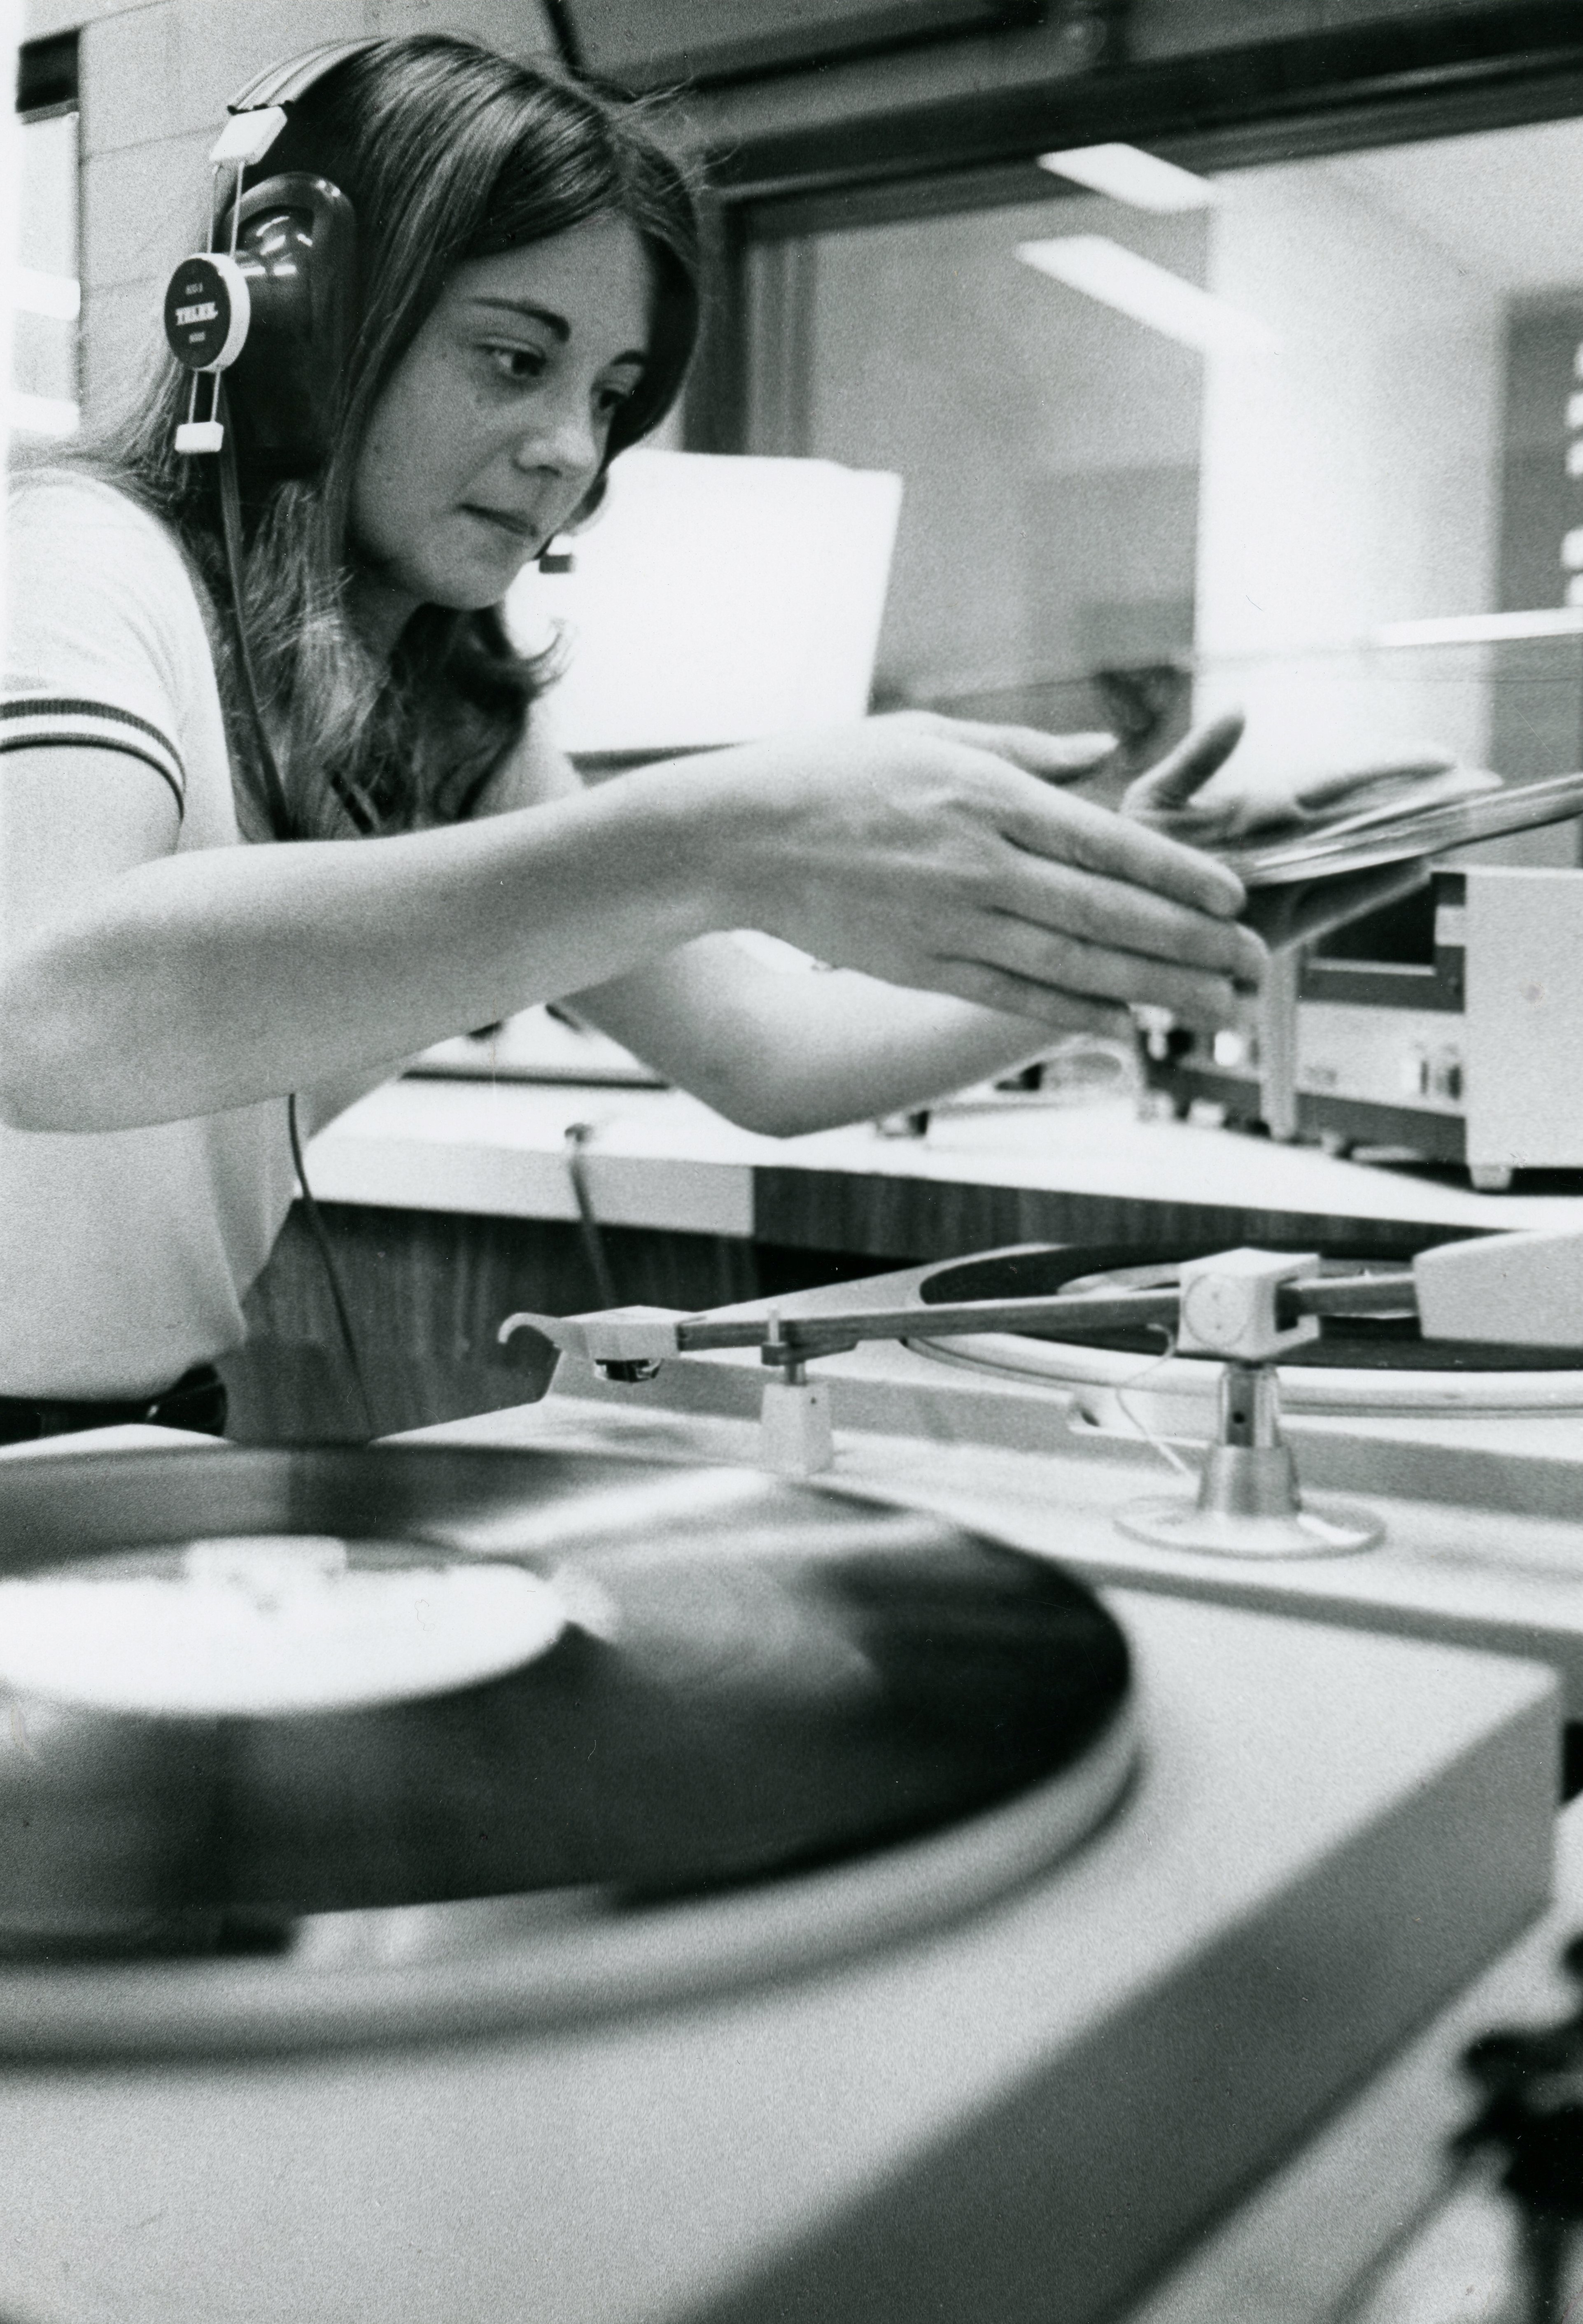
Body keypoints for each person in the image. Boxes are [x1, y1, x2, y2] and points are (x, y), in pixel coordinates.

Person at [0, 33, 1267, 1435]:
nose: (570, 450)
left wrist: (1174, 907)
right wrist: (725, 835)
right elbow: (51, 1012)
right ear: (294, 328)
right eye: (511, 360)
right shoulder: (72, 559)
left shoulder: (449, 721)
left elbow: (770, 1056)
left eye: (606, 394)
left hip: (144, 1423)